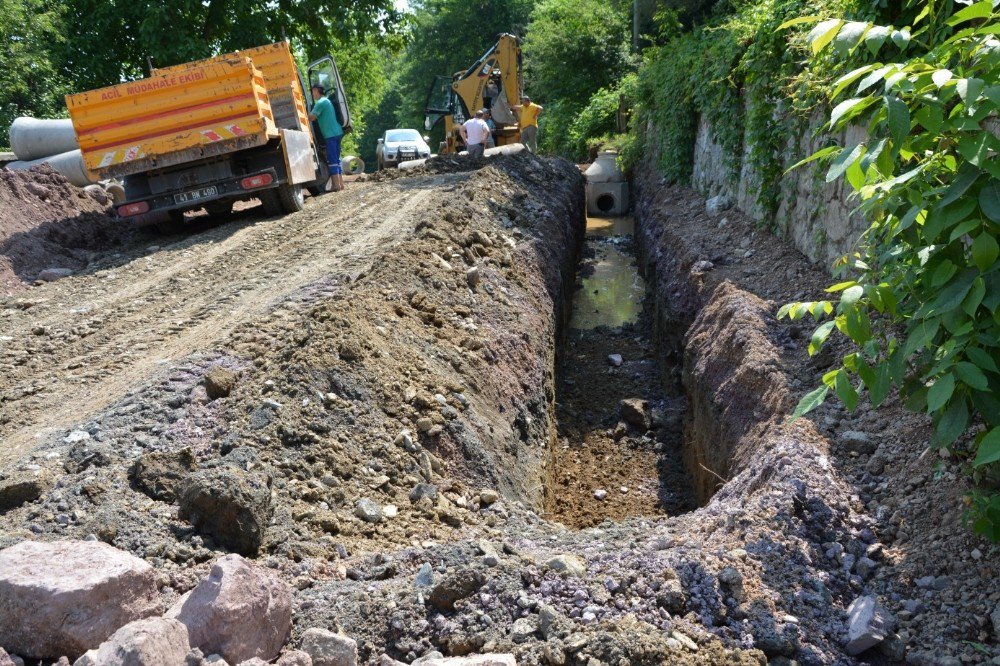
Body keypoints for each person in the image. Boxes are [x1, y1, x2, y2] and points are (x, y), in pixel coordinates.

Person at [308, 84, 344, 192]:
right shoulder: (326, 100)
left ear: (316, 91)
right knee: (337, 160)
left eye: (312, 91)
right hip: (337, 132)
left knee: (332, 160)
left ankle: (336, 186)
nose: (312, 94)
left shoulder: (320, 102)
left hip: (331, 135)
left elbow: (312, 117)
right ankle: (341, 185)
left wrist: (302, 115)